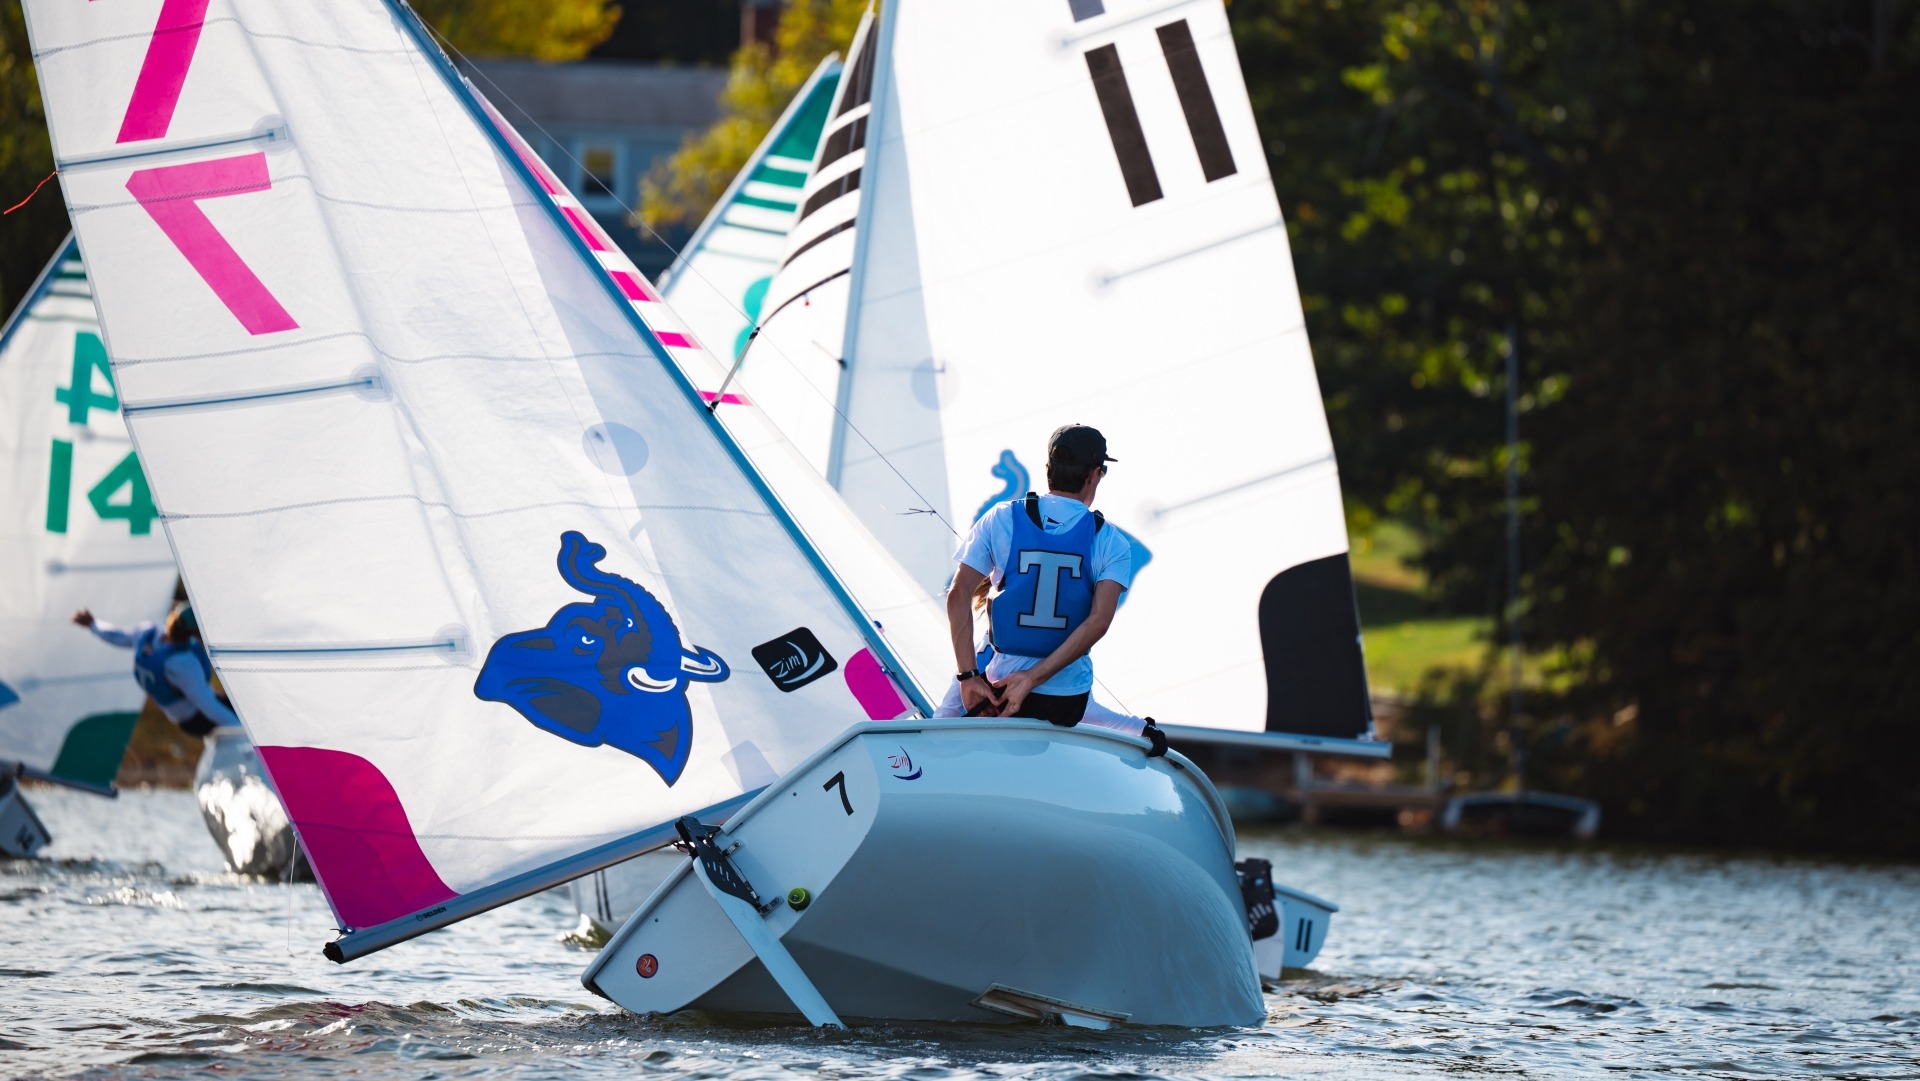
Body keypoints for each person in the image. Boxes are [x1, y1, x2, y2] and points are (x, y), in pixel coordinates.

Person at [947, 423, 1134, 727]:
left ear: (1048, 468)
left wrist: (968, 677)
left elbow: (958, 594)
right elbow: (1099, 621)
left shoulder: (1001, 517)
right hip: (1065, 701)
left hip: (998, 692)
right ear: (1094, 475)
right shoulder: (1111, 541)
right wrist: (1032, 679)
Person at [73, 603, 239, 737]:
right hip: (195, 718)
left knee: (232, 702)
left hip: (182, 715)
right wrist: (243, 732)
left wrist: (93, 624)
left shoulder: (148, 633)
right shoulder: (183, 663)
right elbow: (208, 705)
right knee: (244, 713)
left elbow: (118, 636)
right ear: (195, 634)